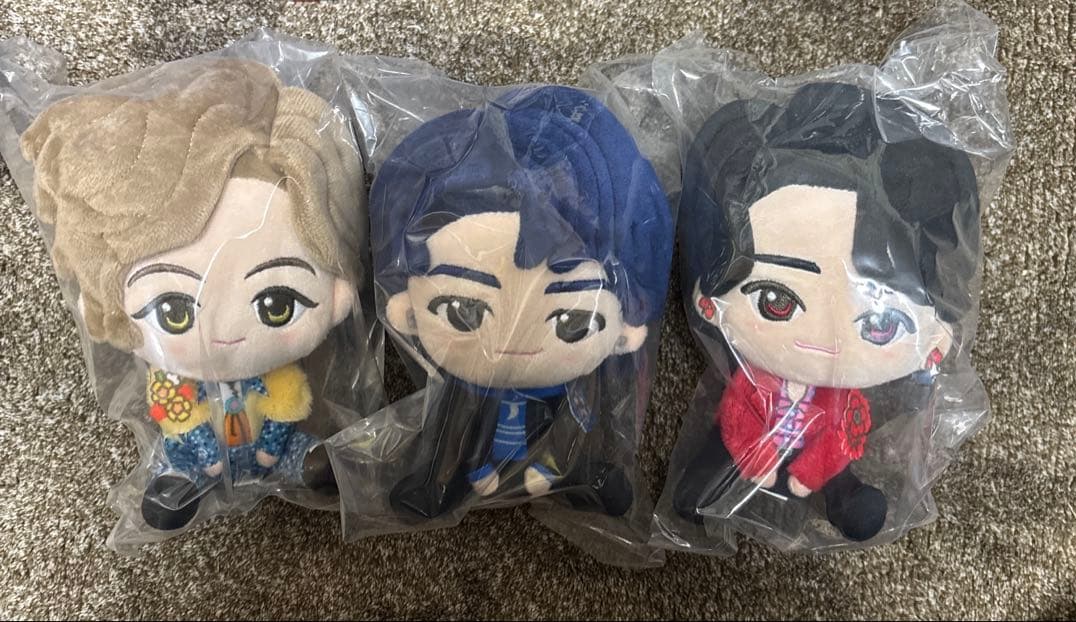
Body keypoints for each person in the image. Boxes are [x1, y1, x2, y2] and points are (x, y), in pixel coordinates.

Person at [21, 58, 364, 530]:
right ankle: (177, 482)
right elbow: (180, 421)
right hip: (198, 456)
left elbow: (288, 405)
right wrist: (209, 459)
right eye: (174, 311)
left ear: (338, 295)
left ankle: (306, 467)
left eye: (277, 304)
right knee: (177, 457)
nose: (226, 335)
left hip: (276, 445)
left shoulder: (277, 378)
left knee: (304, 452)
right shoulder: (173, 385)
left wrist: (270, 448)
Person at [673, 82, 980, 541]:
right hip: (755, 441)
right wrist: (758, 460)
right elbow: (737, 417)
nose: (823, 339)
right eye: (776, 301)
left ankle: (843, 498)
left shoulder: (841, 402)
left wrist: (809, 474)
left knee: (839, 468)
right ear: (710, 301)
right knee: (722, 450)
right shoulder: (754, 383)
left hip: (813, 449)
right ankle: (710, 484)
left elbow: (838, 439)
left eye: (879, 324)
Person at [370, 85, 673, 519]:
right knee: (454, 434)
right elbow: (455, 428)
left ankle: (568, 474)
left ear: (625, 329)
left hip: (546, 454)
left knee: (567, 445)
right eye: (463, 312)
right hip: (478, 454)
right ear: (407, 310)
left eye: (572, 321)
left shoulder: (571, 394)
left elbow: (582, 421)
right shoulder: (467, 392)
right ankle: (450, 478)